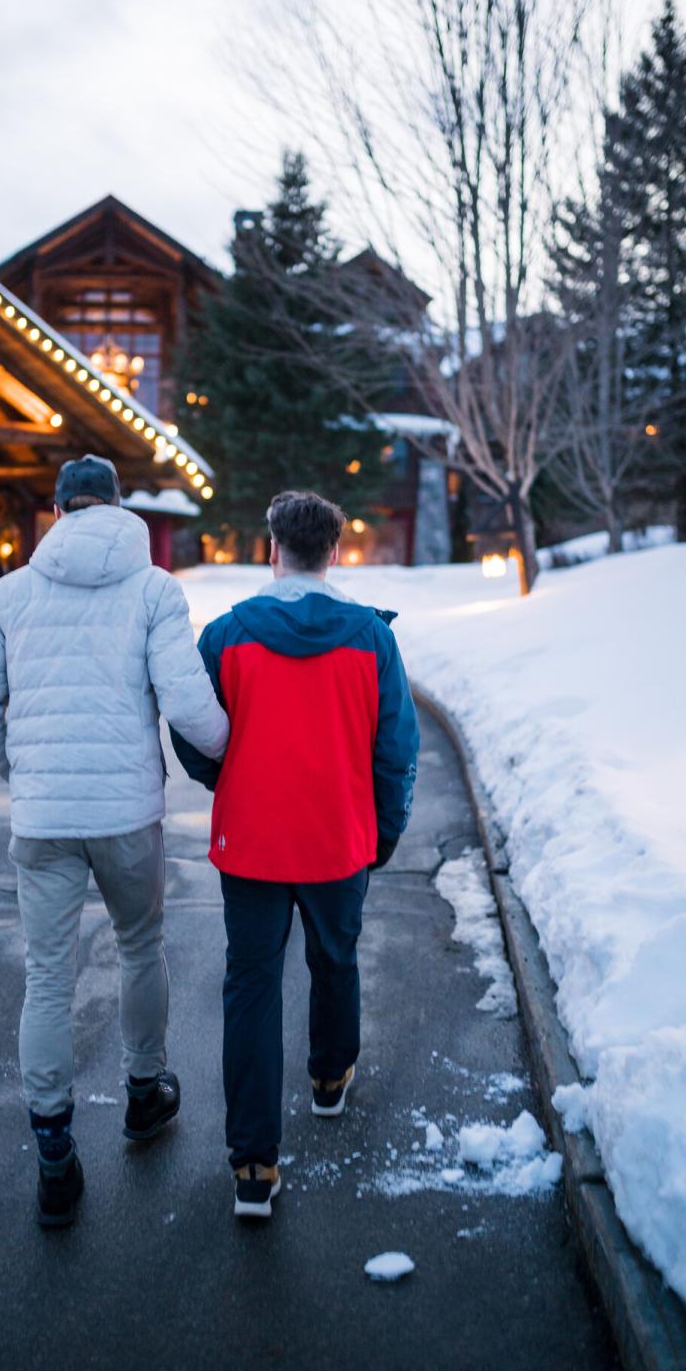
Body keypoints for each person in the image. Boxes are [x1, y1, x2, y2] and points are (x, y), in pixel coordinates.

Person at [0, 455, 229, 1228]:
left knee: (48, 975)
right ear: (115, 505)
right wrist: (230, 749)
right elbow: (188, 706)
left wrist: (28, 771)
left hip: (41, 821)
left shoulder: (8, 594)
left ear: (59, 512)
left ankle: (54, 1154)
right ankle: (144, 1095)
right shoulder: (153, 590)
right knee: (141, 946)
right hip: (127, 815)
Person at [172, 490, 419, 1220]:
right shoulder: (372, 639)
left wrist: (230, 774)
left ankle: (253, 1163)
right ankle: (330, 1076)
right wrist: (386, 827)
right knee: (335, 959)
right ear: (335, 552)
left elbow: (191, 731)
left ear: (271, 548)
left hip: (252, 837)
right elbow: (396, 748)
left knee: (250, 984)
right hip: (339, 835)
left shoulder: (225, 635)